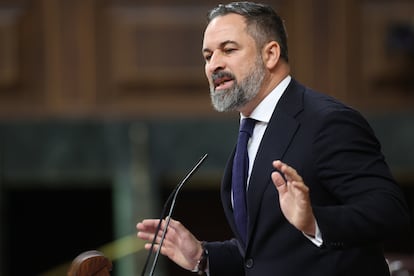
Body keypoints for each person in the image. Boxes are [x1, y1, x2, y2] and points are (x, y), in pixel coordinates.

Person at [137, 2, 411, 275]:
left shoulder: (327, 122)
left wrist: (314, 222)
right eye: (207, 56)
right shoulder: (250, 133)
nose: (214, 65)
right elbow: (263, 254)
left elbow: (389, 212)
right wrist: (203, 255)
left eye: (228, 50)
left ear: (270, 54)